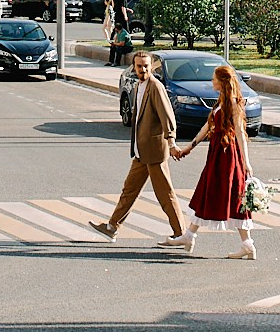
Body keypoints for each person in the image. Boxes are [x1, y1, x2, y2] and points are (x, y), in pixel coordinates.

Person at [89, 52, 186, 246]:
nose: (143, 70)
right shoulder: (138, 85)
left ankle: (181, 233)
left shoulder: (155, 87)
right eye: (139, 66)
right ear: (134, 67)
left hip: (154, 152)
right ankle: (112, 227)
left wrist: (171, 141)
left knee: (165, 194)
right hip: (141, 151)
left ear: (152, 67)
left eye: (146, 66)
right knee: (129, 191)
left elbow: (168, 116)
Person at [164, 64, 256, 259]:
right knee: (211, 192)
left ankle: (192, 236)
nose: (211, 81)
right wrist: (189, 147)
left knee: (227, 195)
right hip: (217, 154)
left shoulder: (232, 103)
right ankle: (243, 243)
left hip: (228, 155)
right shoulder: (221, 102)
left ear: (222, 82)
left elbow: (240, 133)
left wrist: (246, 162)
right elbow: (207, 126)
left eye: (214, 78)